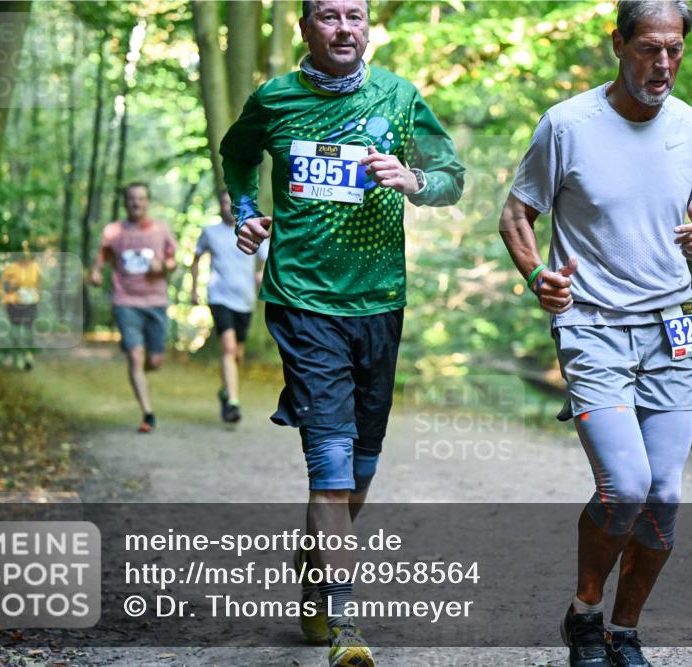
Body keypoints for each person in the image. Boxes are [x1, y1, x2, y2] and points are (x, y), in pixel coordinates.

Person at [220, 1, 464, 664]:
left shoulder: (401, 97)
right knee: (328, 461)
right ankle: (346, 622)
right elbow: (236, 158)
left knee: (358, 474)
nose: (343, 28)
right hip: (302, 303)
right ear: (306, 29)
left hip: (380, 303)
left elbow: (452, 179)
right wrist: (245, 210)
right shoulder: (273, 101)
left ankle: (312, 565)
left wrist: (414, 178)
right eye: (328, 16)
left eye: (354, 15)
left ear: (367, 27)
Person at [499, 1, 692, 665]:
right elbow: (517, 213)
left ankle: (624, 630)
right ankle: (584, 614)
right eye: (649, 49)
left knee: (662, 496)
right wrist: (538, 277)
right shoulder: (568, 125)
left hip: (672, 329)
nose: (663, 64)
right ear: (618, 43)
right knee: (625, 486)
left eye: (675, 51)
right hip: (593, 327)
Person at [90, 182, 179, 434]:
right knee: (135, 357)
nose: (136, 203)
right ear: (125, 202)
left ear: (148, 202)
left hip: (156, 302)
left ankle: (141, 371)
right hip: (125, 301)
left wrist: (163, 266)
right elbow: (102, 257)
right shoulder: (114, 231)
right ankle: (147, 413)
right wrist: (96, 272)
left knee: (155, 361)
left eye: (141, 199)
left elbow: (173, 259)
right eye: (131, 199)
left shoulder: (160, 230)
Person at [191, 190, 268, 423]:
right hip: (219, 297)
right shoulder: (210, 232)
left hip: (244, 299)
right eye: (224, 202)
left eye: (231, 203)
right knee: (229, 349)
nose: (227, 206)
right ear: (219, 205)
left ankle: (226, 390)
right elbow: (195, 259)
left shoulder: (253, 230)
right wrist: (194, 288)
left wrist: (260, 276)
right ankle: (233, 403)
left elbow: (265, 261)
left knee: (238, 354)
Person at [0, 240, 42, 370]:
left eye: (27, 251)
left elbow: (37, 284)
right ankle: (17, 356)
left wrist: (37, 296)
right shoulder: (11, 268)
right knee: (15, 331)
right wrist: (4, 297)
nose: (25, 254)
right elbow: (0, 284)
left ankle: (28, 356)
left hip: (30, 303)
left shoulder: (35, 267)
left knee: (28, 330)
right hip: (14, 304)